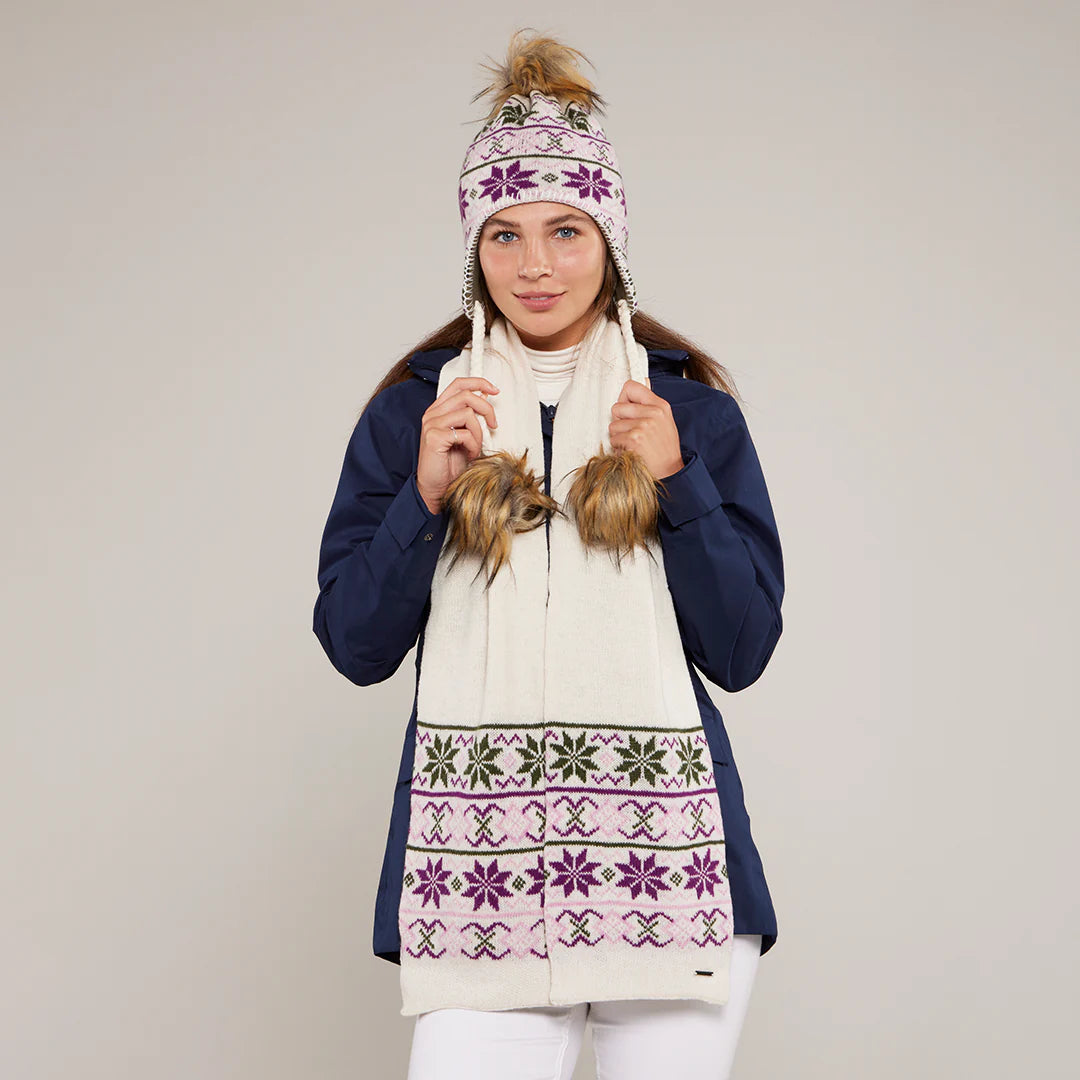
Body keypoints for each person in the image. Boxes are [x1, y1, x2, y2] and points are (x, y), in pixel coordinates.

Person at [312, 28, 785, 1080]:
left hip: (672, 874)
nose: (535, 266)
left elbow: (744, 649)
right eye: (505, 234)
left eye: (566, 231)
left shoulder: (690, 413)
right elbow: (353, 644)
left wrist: (679, 480)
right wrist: (424, 500)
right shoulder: (414, 415)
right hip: (476, 888)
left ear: (610, 239)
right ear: (473, 250)